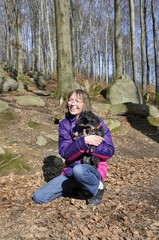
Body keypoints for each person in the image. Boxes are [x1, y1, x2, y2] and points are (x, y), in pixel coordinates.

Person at [33, 89, 115, 206]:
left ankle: (98, 187)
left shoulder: (97, 121)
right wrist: (83, 141)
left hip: (92, 170)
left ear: (84, 104)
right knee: (39, 197)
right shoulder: (64, 124)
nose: (73, 104)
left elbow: (109, 151)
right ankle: (79, 187)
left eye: (77, 101)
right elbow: (65, 153)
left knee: (80, 170)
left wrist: (90, 145)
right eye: (71, 100)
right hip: (71, 173)